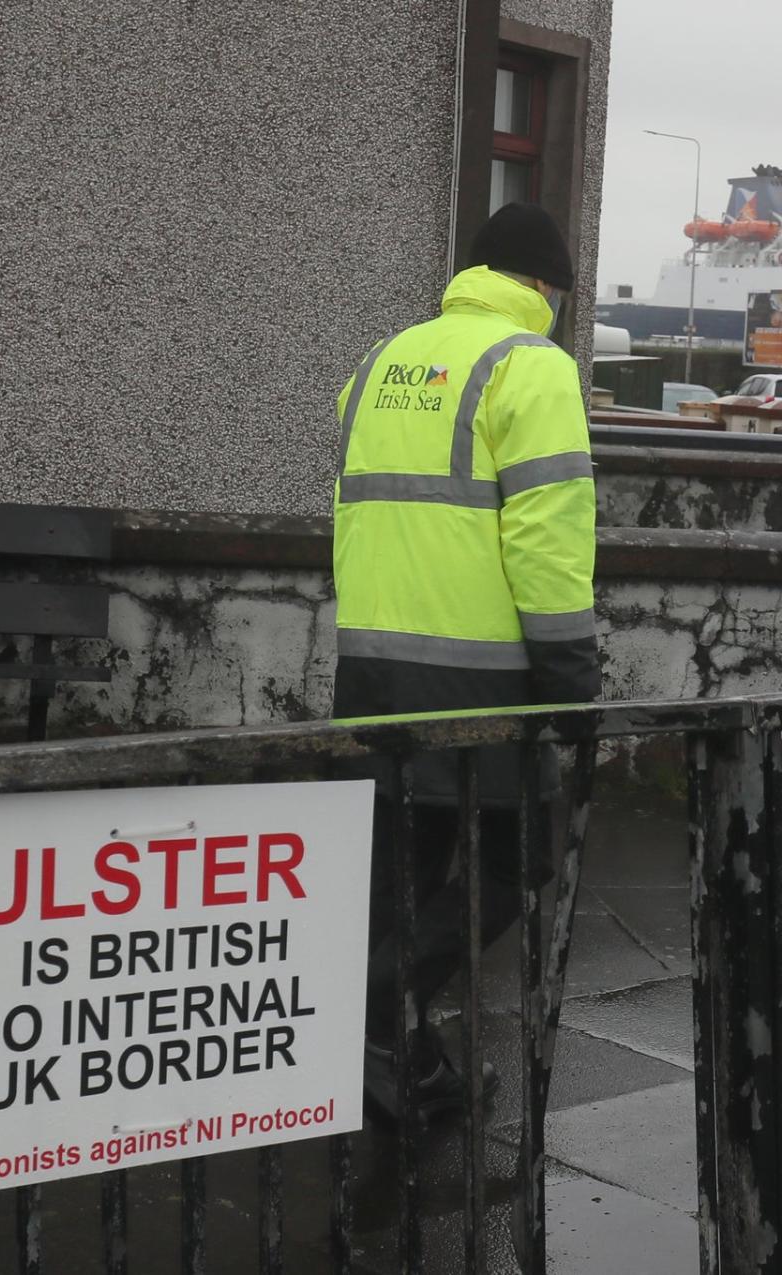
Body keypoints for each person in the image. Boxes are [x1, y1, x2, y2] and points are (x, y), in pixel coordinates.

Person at [332, 202, 601, 1122]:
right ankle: (369, 1007)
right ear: (542, 288)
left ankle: (400, 1064)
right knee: (516, 857)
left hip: (373, 673)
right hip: (480, 680)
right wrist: (571, 683)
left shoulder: (381, 360)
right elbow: (548, 541)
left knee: (406, 868)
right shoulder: (534, 368)